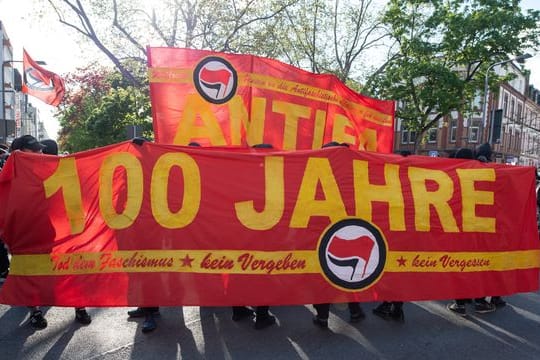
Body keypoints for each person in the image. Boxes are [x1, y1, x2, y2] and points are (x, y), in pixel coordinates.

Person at [311, 141, 365, 329]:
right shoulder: (356, 176)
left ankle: (323, 316)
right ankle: (355, 310)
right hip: (347, 232)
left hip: (323, 236)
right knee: (345, 276)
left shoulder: (314, 176)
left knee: (323, 278)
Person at [446, 146, 499, 316]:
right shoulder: (485, 174)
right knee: (479, 267)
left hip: (458, 231)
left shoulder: (450, 175)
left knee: (460, 267)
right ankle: (480, 301)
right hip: (481, 231)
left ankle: (460, 303)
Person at [231, 143, 276, 330]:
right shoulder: (275, 174)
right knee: (262, 274)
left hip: (238, 233)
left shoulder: (240, 172)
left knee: (239, 271)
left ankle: (238, 309)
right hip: (264, 235)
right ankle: (262, 315)